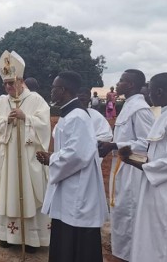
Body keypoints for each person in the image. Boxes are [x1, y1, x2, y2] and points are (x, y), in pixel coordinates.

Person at [37, 71, 108, 262]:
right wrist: (53, 157)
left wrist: (51, 159)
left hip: (78, 186)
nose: (51, 92)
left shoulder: (77, 116)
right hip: (70, 182)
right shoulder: (70, 114)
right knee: (65, 229)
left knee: (76, 235)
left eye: (53, 88)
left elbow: (78, 154)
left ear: (63, 90)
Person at [0, 51, 50, 252]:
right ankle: (6, 235)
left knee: (28, 192)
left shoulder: (36, 100)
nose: (8, 87)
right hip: (7, 159)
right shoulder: (1, 102)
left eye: (12, 83)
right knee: (8, 190)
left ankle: (31, 239)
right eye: (5, 84)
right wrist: (6, 121)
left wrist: (26, 118)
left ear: (21, 81)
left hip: (27, 158)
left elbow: (44, 125)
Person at [97, 69, 154, 262]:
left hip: (132, 170)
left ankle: (130, 255)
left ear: (130, 85)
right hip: (121, 167)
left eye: (121, 80)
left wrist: (114, 145)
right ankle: (120, 253)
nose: (118, 83)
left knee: (128, 212)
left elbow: (147, 143)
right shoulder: (129, 105)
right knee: (120, 212)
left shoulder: (140, 108)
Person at [122, 73, 167, 262]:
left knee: (163, 238)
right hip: (156, 186)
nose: (148, 95)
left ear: (160, 92)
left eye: (151, 91)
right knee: (151, 235)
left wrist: (140, 164)